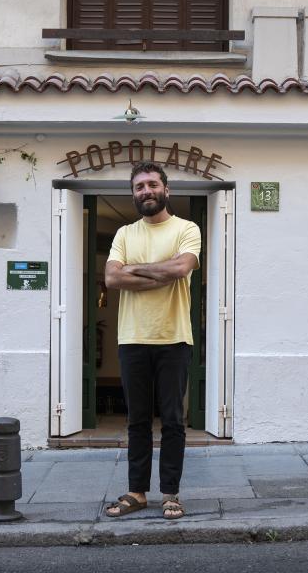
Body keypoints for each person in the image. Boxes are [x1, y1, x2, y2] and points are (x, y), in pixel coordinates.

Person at [103, 161, 201, 520]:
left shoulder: (186, 228)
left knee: (173, 420)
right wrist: (161, 272)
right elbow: (112, 279)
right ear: (134, 194)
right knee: (137, 420)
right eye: (140, 186)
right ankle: (137, 492)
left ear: (166, 189)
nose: (146, 191)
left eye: (152, 184)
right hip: (132, 338)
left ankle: (170, 493)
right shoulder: (125, 234)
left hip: (174, 338)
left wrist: (135, 269)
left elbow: (180, 269)